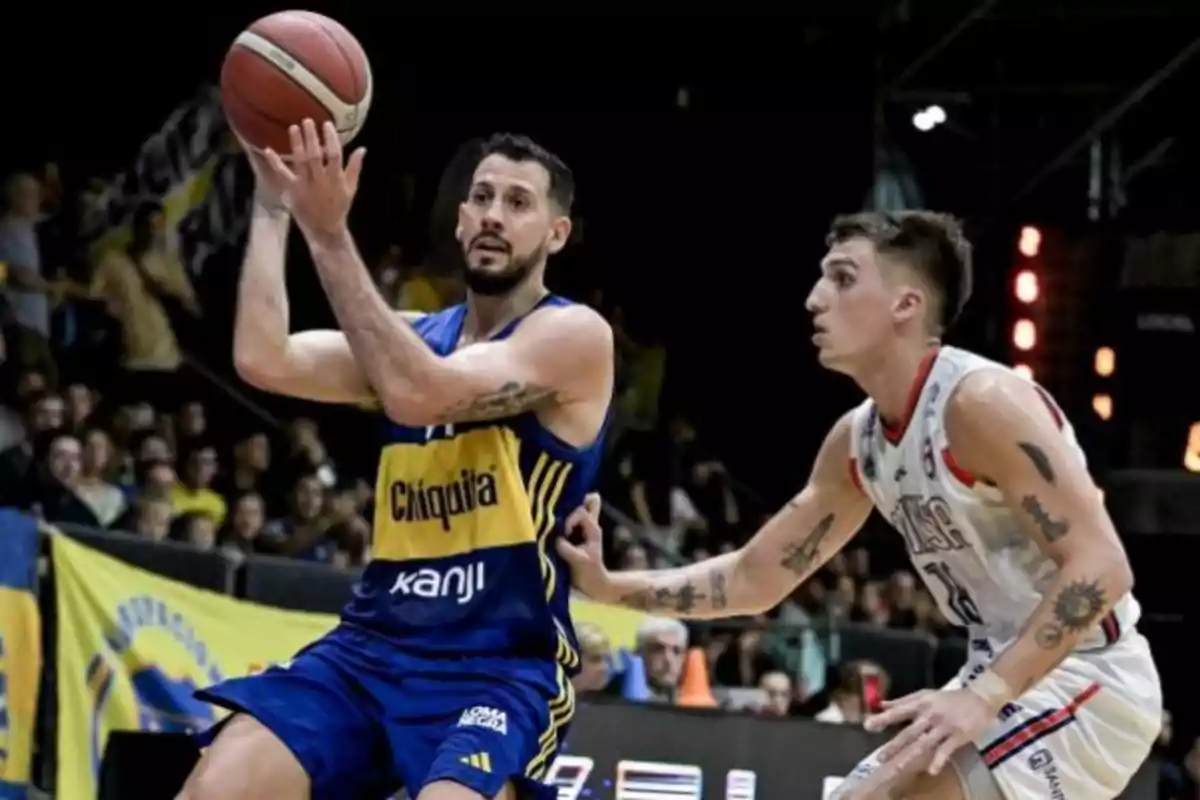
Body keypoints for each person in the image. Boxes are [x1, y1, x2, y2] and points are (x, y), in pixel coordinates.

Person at [559, 211, 1162, 800]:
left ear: (907, 304)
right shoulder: (859, 441)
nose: (815, 299)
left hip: (1088, 676)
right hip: (999, 679)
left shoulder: (981, 403)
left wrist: (983, 696)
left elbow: (1102, 567)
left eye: (843, 278)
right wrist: (612, 589)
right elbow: (754, 578)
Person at [179, 122, 614, 800]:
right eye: (483, 197)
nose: (496, 215)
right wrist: (273, 205)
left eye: (519, 202)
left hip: (499, 663)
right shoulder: (412, 338)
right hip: (371, 648)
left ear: (556, 233)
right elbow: (264, 358)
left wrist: (327, 234)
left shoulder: (575, 337)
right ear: (462, 218)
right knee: (216, 789)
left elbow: (420, 395)